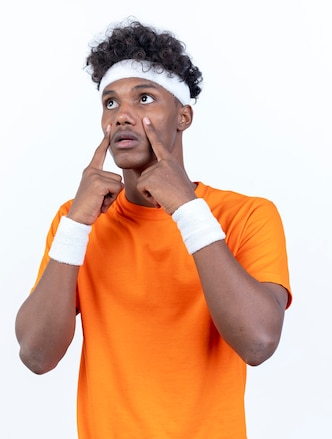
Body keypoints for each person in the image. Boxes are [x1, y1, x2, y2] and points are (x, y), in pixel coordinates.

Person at [15, 18, 292, 438]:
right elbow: (37, 354)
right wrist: (75, 226)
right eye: (110, 103)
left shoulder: (245, 216)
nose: (123, 116)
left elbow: (257, 342)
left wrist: (187, 209)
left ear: (183, 116)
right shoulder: (77, 222)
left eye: (144, 98)